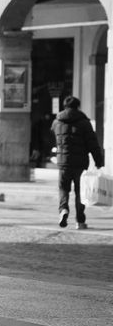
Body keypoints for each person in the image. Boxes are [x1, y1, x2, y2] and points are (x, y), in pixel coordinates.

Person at [51, 96, 103, 230]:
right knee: (80, 192)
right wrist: (99, 161)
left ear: (64, 106)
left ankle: (63, 210)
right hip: (80, 163)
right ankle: (80, 221)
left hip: (63, 163)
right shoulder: (84, 122)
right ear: (78, 106)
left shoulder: (57, 121)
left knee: (63, 189)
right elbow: (92, 143)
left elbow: (55, 137)